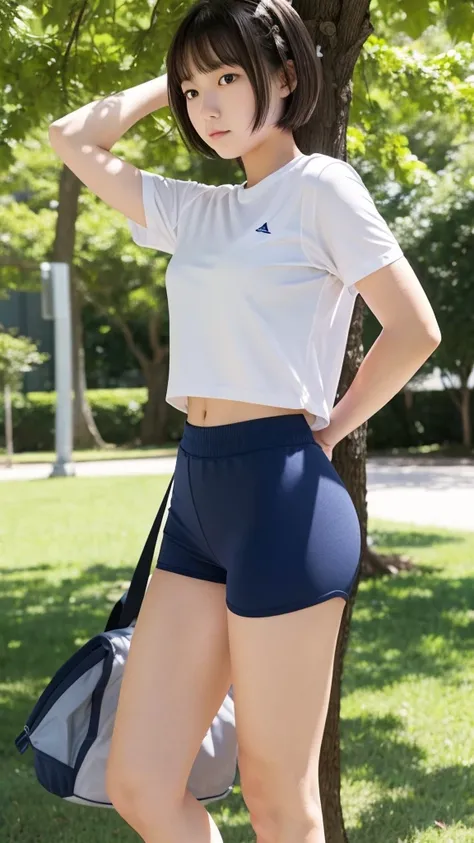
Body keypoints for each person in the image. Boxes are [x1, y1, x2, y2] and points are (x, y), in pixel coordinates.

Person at [48, 0, 441, 840]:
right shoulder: (195, 212)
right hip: (198, 494)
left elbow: (415, 329)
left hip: (284, 497)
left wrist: (331, 429)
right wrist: (171, 78)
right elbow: (72, 139)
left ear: (287, 75)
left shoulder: (322, 188)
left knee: (276, 794)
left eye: (230, 77)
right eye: (196, 89)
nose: (210, 105)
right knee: (142, 780)